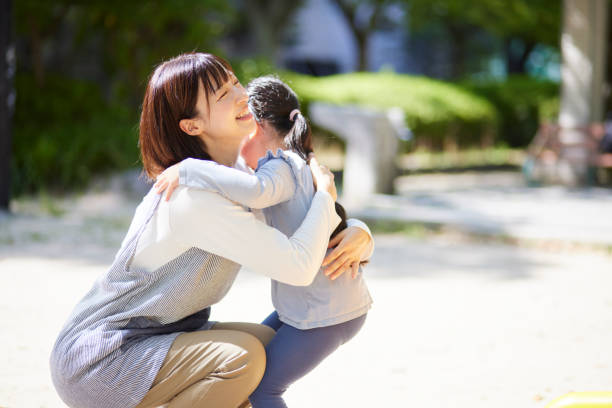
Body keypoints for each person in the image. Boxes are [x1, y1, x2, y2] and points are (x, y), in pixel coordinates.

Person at [49, 52, 373, 408]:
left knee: (266, 345)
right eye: (223, 95)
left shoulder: (241, 178)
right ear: (192, 125)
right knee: (242, 358)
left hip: (159, 338)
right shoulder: (194, 197)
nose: (241, 96)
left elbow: (299, 217)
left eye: (235, 82)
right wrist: (325, 199)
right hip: (104, 360)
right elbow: (297, 265)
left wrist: (358, 232)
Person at [154, 75, 373, 408]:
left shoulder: (281, 166)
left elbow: (257, 193)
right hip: (309, 306)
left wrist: (187, 170)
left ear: (252, 125)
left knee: (263, 389)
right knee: (247, 370)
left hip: (326, 312)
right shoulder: (295, 164)